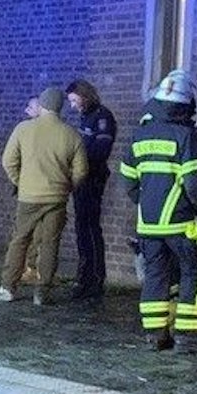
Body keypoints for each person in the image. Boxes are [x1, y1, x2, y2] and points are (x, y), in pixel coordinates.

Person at [116, 68, 197, 351]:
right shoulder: (186, 138)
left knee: (156, 275)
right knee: (196, 271)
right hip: (181, 224)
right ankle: (189, 337)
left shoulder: (140, 135)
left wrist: (148, 203)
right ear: (186, 105)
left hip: (148, 226)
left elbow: (128, 180)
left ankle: (155, 335)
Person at [0, 86, 87, 306]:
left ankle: (8, 287)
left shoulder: (23, 129)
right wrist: (66, 187)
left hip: (28, 197)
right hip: (57, 198)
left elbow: (8, 160)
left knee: (20, 240)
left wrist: (21, 182)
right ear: (60, 107)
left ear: (43, 105)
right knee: (50, 244)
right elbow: (82, 170)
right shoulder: (71, 134)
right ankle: (42, 291)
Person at [64, 79, 119, 303]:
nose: (73, 106)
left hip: (92, 179)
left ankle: (95, 279)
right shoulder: (87, 116)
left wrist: (77, 159)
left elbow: (100, 151)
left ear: (84, 96)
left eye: (74, 100)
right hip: (82, 179)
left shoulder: (102, 117)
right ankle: (85, 277)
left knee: (90, 228)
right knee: (82, 228)